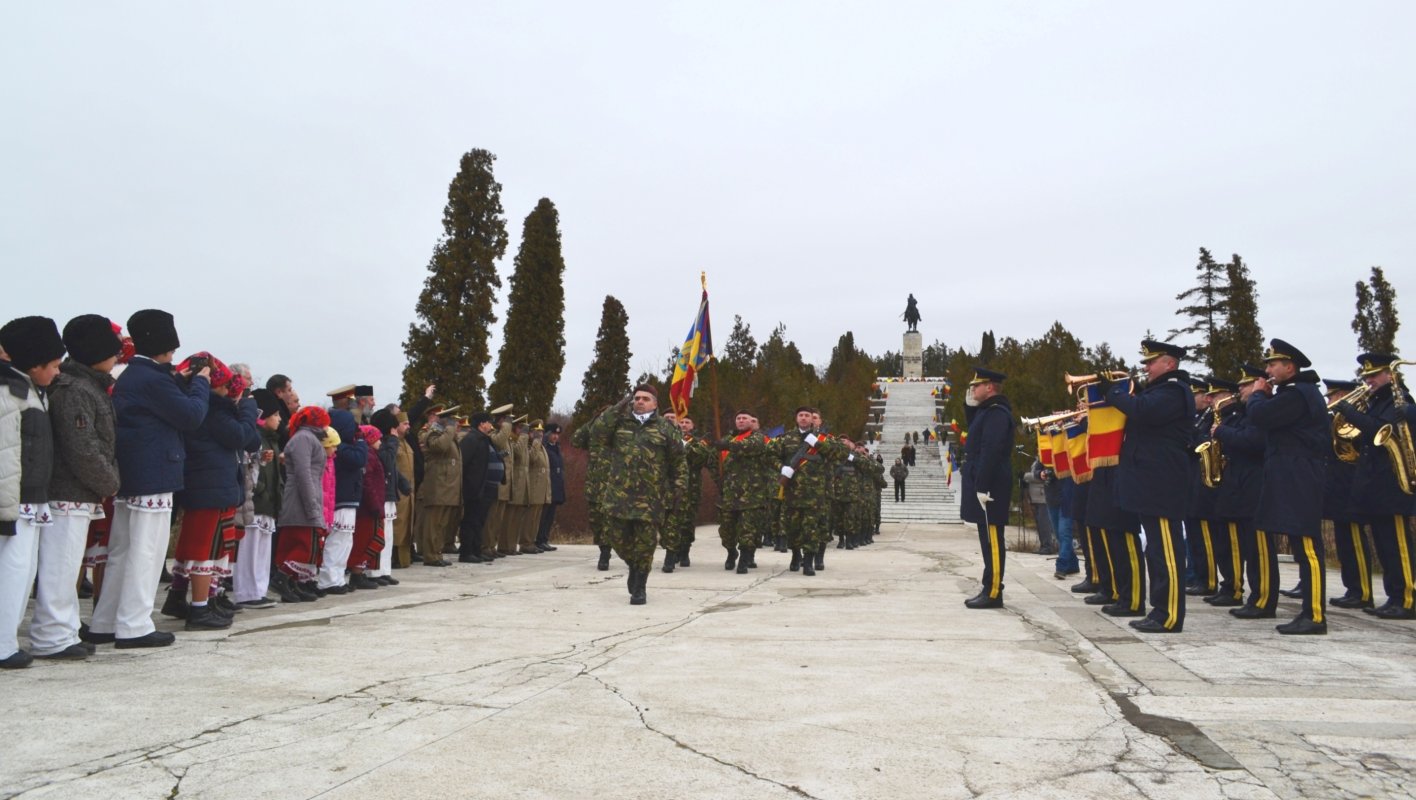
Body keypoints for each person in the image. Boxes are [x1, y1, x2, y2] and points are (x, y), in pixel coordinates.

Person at [87, 310, 210, 650]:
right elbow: (191, 416)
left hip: (133, 474)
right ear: (167, 345)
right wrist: (200, 383)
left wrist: (180, 379)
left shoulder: (135, 374)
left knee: (123, 550)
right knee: (147, 551)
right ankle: (134, 625)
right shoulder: (153, 379)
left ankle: (106, 622)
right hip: (154, 473)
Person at [31, 316, 122, 660]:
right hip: (67, 491)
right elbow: (82, 447)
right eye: (111, 350)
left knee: (68, 565)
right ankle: (51, 635)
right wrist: (109, 481)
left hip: (78, 492)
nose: (116, 356)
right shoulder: (75, 390)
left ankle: (64, 630)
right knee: (61, 565)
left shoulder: (85, 386)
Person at [1104, 339, 1195, 634]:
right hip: (1151, 480)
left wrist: (1114, 393)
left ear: (1169, 363)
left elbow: (1143, 410)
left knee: (1166, 551)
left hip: (1163, 481)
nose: (1146, 367)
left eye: (1151, 362)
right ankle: (1159, 609)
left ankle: (1169, 615)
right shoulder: (1159, 391)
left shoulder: (1174, 390)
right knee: (1156, 551)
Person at [165, 354, 260, 630]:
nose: (231, 390)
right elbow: (242, 436)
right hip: (208, 484)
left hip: (211, 483)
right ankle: (200, 607)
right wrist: (247, 408)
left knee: (207, 544)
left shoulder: (210, 408)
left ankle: (186, 597)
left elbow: (250, 441)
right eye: (227, 385)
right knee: (203, 548)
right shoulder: (213, 410)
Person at [1247, 339, 1329, 634]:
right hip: (1292, 473)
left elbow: (1260, 417)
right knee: (1301, 545)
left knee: (1307, 546)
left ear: (1290, 367)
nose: (1268, 370)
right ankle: (1309, 613)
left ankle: (1315, 616)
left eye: (1272, 364)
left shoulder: (1297, 394)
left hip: (1300, 476)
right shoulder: (1294, 392)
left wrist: (1258, 395)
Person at [0, 317, 66, 668]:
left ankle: (7, 639)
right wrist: (7, 507)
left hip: (31, 496)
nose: (57, 372)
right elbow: (5, 452)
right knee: (11, 572)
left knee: (23, 572)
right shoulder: (10, 391)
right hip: (16, 499)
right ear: (33, 364)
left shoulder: (29, 390)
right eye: (53, 365)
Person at [584, 385, 686, 604]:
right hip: (619, 496)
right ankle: (633, 564)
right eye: (637, 398)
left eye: (645, 398)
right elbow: (596, 432)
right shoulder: (619, 423)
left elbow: (678, 460)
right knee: (616, 538)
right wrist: (617, 407)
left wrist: (679, 487)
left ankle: (640, 585)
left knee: (646, 544)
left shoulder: (665, 428)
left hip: (650, 498)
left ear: (655, 404)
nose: (640, 401)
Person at [1333, 352, 1416, 619]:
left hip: (1394, 481)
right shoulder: (1376, 402)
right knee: (1385, 544)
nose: (1369, 381)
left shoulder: (1399, 400)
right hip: (1378, 482)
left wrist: (1350, 413)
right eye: (1367, 376)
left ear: (1390, 375)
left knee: (1398, 545)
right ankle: (1394, 596)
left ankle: (1408, 599)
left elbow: (1381, 429)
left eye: (1374, 375)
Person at [1214, 365, 1273, 617]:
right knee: (1241, 544)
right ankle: (1244, 592)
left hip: (1255, 481)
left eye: (1246, 385)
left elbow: (1253, 441)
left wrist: (1222, 431)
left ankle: (1263, 599)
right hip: (1238, 480)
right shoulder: (1243, 412)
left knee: (1258, 548)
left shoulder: (1260, 411)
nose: (1240, 389)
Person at [961, 367, 1013, 609]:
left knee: (992, 540)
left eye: (977, 385)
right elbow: (975, 432)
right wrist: (969, 406)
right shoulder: (987, 411)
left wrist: (982, 485)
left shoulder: (997, 413)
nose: (973, 389)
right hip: (987, 482)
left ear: (990, 387)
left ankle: (993, 591)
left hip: (991, 485)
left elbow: (990, 451)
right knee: (987, 538)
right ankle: (989, 586)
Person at [772, 406, 848, 576]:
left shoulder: (824, 438)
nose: (805, 418)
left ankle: (809, 562)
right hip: (793, 492)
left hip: (816, 494)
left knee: (812, 528)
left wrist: (818, 444)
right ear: (796, 418)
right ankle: (795, 555)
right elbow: (770, 455)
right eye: (801, 415)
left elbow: (842, 453)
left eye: (808, 415)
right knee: (793, 528)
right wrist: (781, 467)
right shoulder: (786, 438)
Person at [1322, 379, 1375, 609]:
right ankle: (1352, 587)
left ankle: (1362, 591)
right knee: (1344, 542)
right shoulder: (1335, 418)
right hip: (1337, 484)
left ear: (1344, 395)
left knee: (1354, 540)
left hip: (1351, 483)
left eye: (1333, 397)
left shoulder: (1356, 417)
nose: (1330, 401)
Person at [273, 406, 329, 600]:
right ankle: (282, 578)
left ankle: (293, 582)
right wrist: (311, 505)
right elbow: (303, 474)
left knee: (306, 544)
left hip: (306, 496)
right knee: (303, 545)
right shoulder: (304, 438)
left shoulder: (308, 438)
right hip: (301, 499)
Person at [240, 391, 288, 604]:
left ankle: (259, 591)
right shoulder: (256, 438)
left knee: (263, 550)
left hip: (269, 503)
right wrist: (262, 490)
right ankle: (246, 592)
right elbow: (249, 468)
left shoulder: (271, 440)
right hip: (256, 501)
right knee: (250, 550)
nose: (279, 419)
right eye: (275, 415)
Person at [662, 414, 712, 572]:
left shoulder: (698, 442)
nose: (683, 424)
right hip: (667, 487)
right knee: (668, 521)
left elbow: (700, 457)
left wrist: (684, 446)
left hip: (690, 489)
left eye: (687, 422)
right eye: (681, 421)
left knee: (687, 522)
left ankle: (683, 551)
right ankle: (671, 551)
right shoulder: (664, 438)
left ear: (692, 425)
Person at [416, 405, 461, 568]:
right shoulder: (433, 433)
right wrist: (449, 429)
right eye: (452, 420)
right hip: (438, 484)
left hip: (447, 485)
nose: (456, 424)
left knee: (442, 523)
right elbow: (440, 446)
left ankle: (437, 552)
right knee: (433, 522)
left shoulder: (448, 435)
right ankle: (430, 555)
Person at [458, 411, 502, 563]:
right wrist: (471, 483)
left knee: (480, 521)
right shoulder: (471, 439)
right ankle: (466, 552)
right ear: (482, 424)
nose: (491, 425)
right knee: (471, 520)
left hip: (487, 488)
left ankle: (476, 550)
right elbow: (463, 462)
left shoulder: (484, 439)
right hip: (475, 488)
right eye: (489, 422)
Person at [536, 423, 565, 552]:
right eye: (553, 433)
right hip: (546, 486)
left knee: (550, 516)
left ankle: (544, 539)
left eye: (557, 434)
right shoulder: (544, 447)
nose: (555, 436)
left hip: (556, 486)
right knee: (543, 516)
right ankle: (538, 540)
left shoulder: (556, 448)